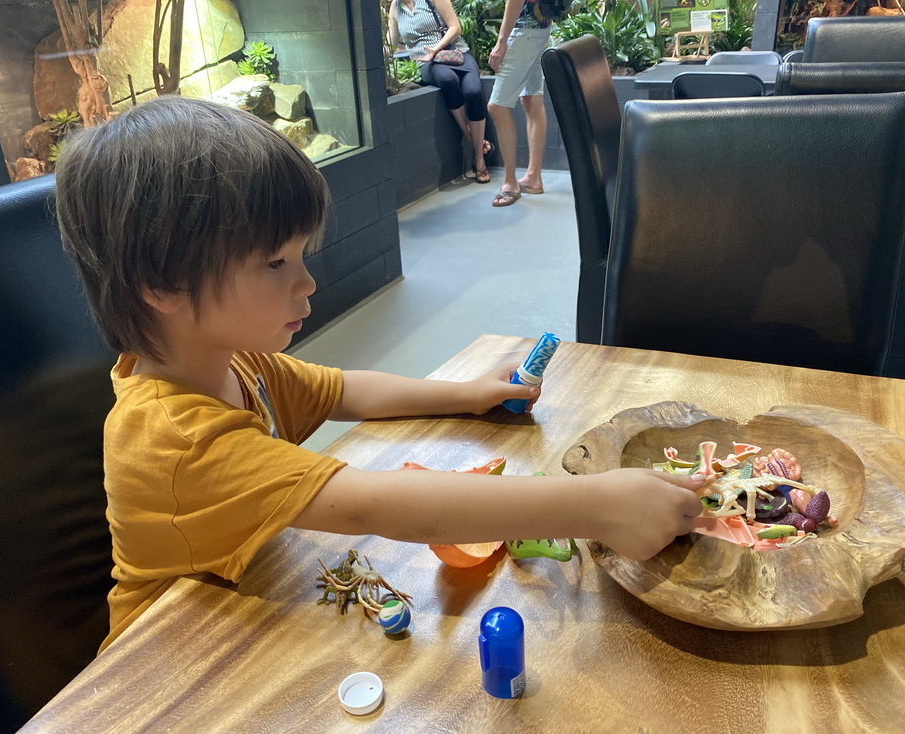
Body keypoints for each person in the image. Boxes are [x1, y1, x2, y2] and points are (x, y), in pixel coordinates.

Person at [54, 96, 704, 652]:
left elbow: (343, 389)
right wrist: (596, 505)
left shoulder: (233, 361)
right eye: (275, 264)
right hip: (168, 670)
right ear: (162, 285)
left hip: (245, 615)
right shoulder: (173, 436)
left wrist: (467, 394)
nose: (307, 283)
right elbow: (379, 503)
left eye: (301, 256)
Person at [389, 0, 491, 183]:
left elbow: (455, 27)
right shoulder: (395, 8)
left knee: (474, 91)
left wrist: (435, 49)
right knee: (447, 80)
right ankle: (478, 155)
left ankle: (475, 147)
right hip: (425, 62)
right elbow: (390, 42)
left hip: (456, 53)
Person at [487, 0, 554, 207]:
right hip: (540, 26)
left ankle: (510, 184)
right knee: (532, 99)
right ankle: (533, 178)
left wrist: (502, 41)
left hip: (524, 30)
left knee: (497, 106)